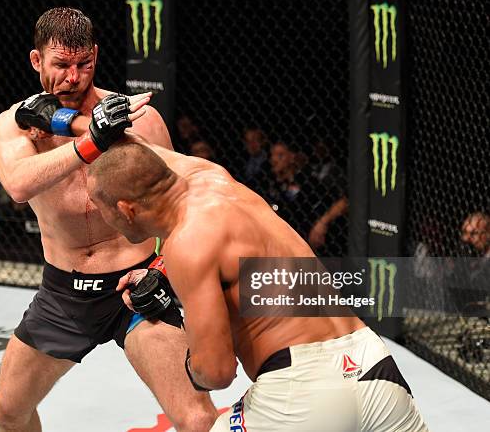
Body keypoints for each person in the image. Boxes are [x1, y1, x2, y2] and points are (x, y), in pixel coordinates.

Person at [86, 138, 429, 431]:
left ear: (126, 209)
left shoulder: (185, 244)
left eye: (101, 210)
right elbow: (152, 154)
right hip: (374, 364)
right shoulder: (215, 178)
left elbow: (216, 372)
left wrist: (182, 333)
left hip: (302, 392)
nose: (102, 219)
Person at [0, 7, 215, 432]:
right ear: (37, 61)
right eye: (61, 65)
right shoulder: (16, 125)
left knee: (198, 419)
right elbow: (18, 185)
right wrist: (92, 138)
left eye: (83, 64)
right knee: (6, 411)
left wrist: (163, 268)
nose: (73, 78)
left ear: (95, 55)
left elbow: (184, 205)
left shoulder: (138, 120)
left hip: (136, 288)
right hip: (64, 294)